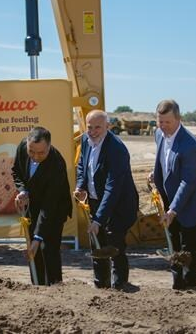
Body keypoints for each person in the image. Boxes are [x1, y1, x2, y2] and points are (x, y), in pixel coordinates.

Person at [152, 99, 196, 290]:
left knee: (189, 256)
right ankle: (177, 287)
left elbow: (188, 181)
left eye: (167, 122)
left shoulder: (191, 145)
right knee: (174, 249)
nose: (163, 126)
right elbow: (165, 163)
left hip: (193, 208)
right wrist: (156, 175)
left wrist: (173, 210)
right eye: (160, 121)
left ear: (179, 119)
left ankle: (190, 291)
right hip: (171, 205)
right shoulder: (158, 134)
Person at [74, 109, 138, 290]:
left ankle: (120, 286)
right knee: (96, 245)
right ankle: (101, 284)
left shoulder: (117, 149)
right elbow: (82, 165)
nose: (93, 132)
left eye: (98, 128)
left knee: (115, 246)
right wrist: (81, 186)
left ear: (108, 127)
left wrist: (98, 220)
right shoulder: (85, 140)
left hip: (118, 206)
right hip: (95, 201)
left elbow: (112, 188)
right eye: (89, 127)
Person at [11, 126, 73, 285]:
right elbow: (16, 171)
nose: (35, 157)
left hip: (54, 209)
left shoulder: (57, 164)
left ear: (49, 146)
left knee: (48, 249)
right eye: (31, 152)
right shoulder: (23, 147)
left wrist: (38, 238)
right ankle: (37, 288)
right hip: (31, 208)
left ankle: (55, 288)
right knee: (34, 251)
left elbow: (49, 206)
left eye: (41, 153)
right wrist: (23, 191)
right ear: (27, 143)